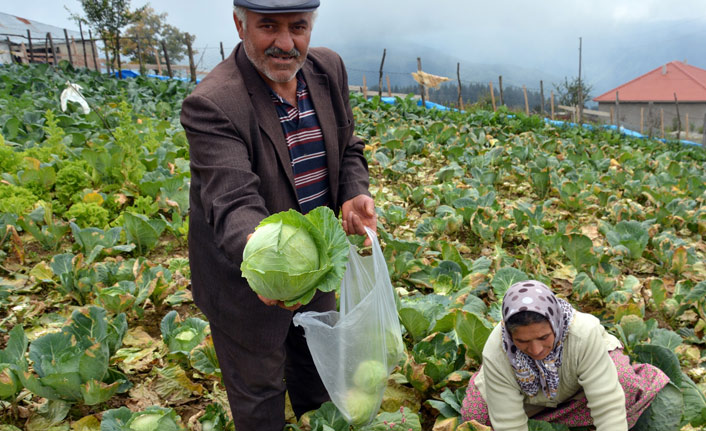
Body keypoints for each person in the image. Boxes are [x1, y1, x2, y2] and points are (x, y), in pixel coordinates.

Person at [179, 1, 376, 429]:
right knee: (260, 398)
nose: (285, 43)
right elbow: (232, 200)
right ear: (240, 24)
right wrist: (266, 264)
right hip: (246, 285)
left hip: (316, 267)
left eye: (298, 27)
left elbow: (349, 147)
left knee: (318, 373)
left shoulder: (328, 70)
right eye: (268, 26)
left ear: (310, 28)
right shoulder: (214, 102)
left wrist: (351, 193)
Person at [461, 280, 671, 431]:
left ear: (556, 325)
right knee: (476, 417)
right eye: (523, 341)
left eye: (544, 337)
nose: (536, 350)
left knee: (623, 384)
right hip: (529, 401)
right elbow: (509, 424)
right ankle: (561, 420)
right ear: (509, 334)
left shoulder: (583, 333)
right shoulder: (497, 350)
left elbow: (607, 405)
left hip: (576, 389)